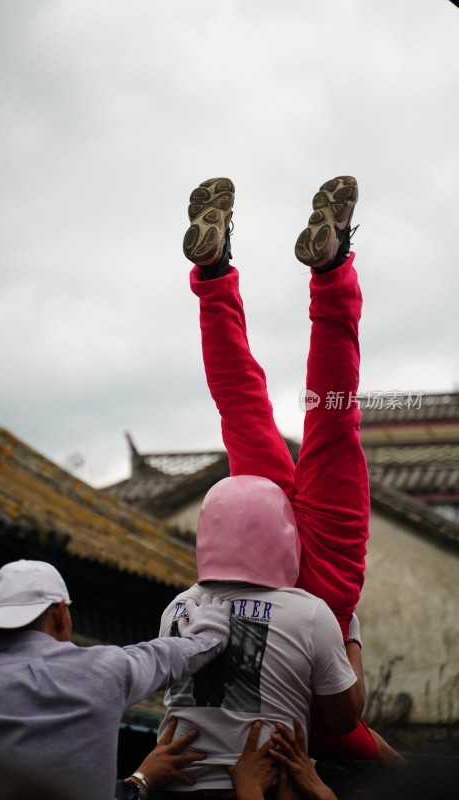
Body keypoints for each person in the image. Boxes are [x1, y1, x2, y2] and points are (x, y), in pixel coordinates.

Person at [181, 175, 403, 763]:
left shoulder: (339, 734)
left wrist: (349, 632)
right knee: (241, 404)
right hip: (253, 548)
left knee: (333, 413)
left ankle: (331, 268)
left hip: (327, 587)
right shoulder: (303, 738)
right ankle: (213, 275)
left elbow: (353, 716)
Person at [0, 559, 231, 800]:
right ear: (60, 615)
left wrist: (141, 780)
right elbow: (171, 655)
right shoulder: (106, 671)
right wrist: (211, 632)